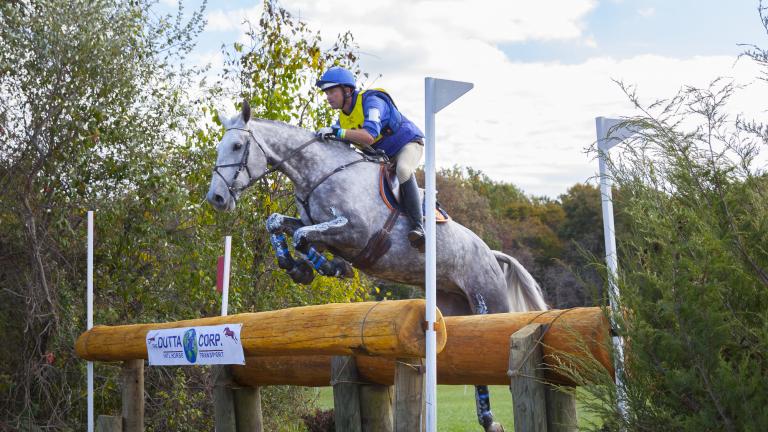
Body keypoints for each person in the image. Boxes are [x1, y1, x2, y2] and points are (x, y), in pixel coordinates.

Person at [315, 66, 426, 250]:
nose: (328, 97)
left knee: (404, 169)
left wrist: (338, 132)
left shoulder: (373, 101)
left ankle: (418, 227)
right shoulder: (343, 118)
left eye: (332, 91)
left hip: (407, 144)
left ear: (348, 90)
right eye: (327, 92)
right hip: (384, 157)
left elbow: (368, 136)